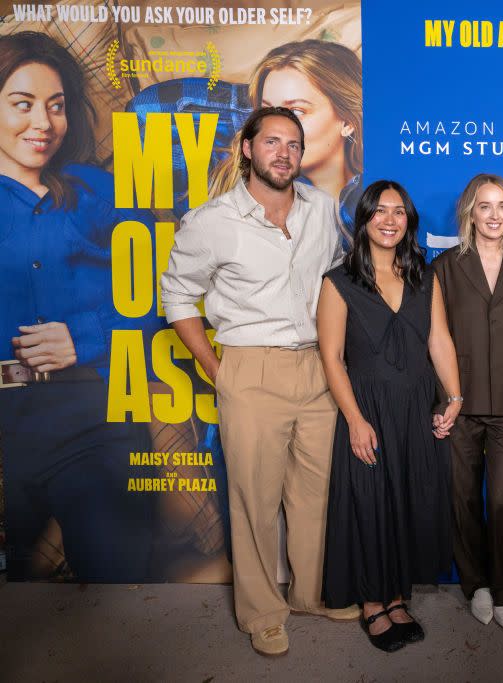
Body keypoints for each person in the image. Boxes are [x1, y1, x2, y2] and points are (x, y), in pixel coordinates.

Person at [161, 106, 357, 657]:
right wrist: (217, 369)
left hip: (319, 367)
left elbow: (342, 279)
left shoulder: (322, 209)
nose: (284, 154)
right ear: (247, 149)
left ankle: (312, 594)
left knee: (315, 495)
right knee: (254, 499)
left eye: (293, 144)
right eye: (272, 142)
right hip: (249, 366)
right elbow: (176, 295)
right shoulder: (212, 221)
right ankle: (262, 612)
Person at [0, 31, 160, 582]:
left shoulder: (98, 192)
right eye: (22, 104)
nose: (42, 122)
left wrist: (86, 335)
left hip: (91, 422)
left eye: (56, 105)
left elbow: (164, 294)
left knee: (119, 594)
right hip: (6, 428)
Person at [318, 180, 461, 652]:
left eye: (399, 212)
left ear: (409, 222)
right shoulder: (338, 282)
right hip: (369, 410)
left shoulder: (425, 277)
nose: (389, 220)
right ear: (363, 220)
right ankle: (372, 603)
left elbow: (438, 340)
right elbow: (332, 357)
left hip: (417, 409)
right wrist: (356, 421)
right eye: (379, 211)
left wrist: (454, 397)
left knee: (406, 499)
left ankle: (398, 596)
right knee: (370, 503)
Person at [431, 174, 503, 629]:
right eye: (485, 206)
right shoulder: (442, 268)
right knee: (462, 496)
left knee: (502, 500)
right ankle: (474, 582)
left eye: (502, 206)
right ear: (470, 213)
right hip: (459, 401)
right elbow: (435, 338)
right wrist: (445, 397)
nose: (494, 214)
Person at [209, 40, 362, 232]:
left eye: (297, 111)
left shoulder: (375, 200)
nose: (277, 127)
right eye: (268, 111)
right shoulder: (233, 186)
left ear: (347, 122)